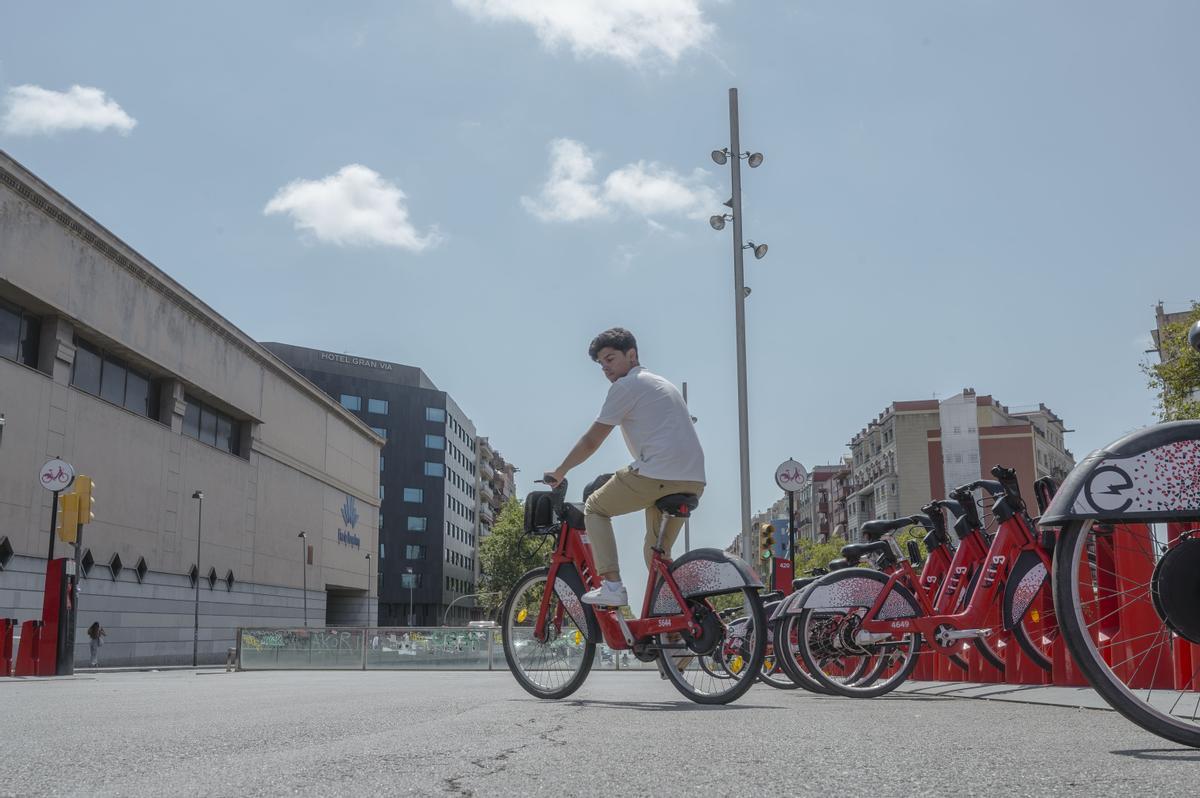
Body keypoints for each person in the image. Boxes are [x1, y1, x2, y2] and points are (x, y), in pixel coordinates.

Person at [543, 327, 705, 606]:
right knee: (657, 555)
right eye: (601, 364)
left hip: (657, 474)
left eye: (610, 359)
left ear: (632, 355)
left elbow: (592, 439)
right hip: (693, 479)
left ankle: (612, 585)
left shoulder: (626, 385)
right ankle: (681, 617)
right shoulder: (663, 384)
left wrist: (560, 471)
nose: (606, 368)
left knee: (595, 507)